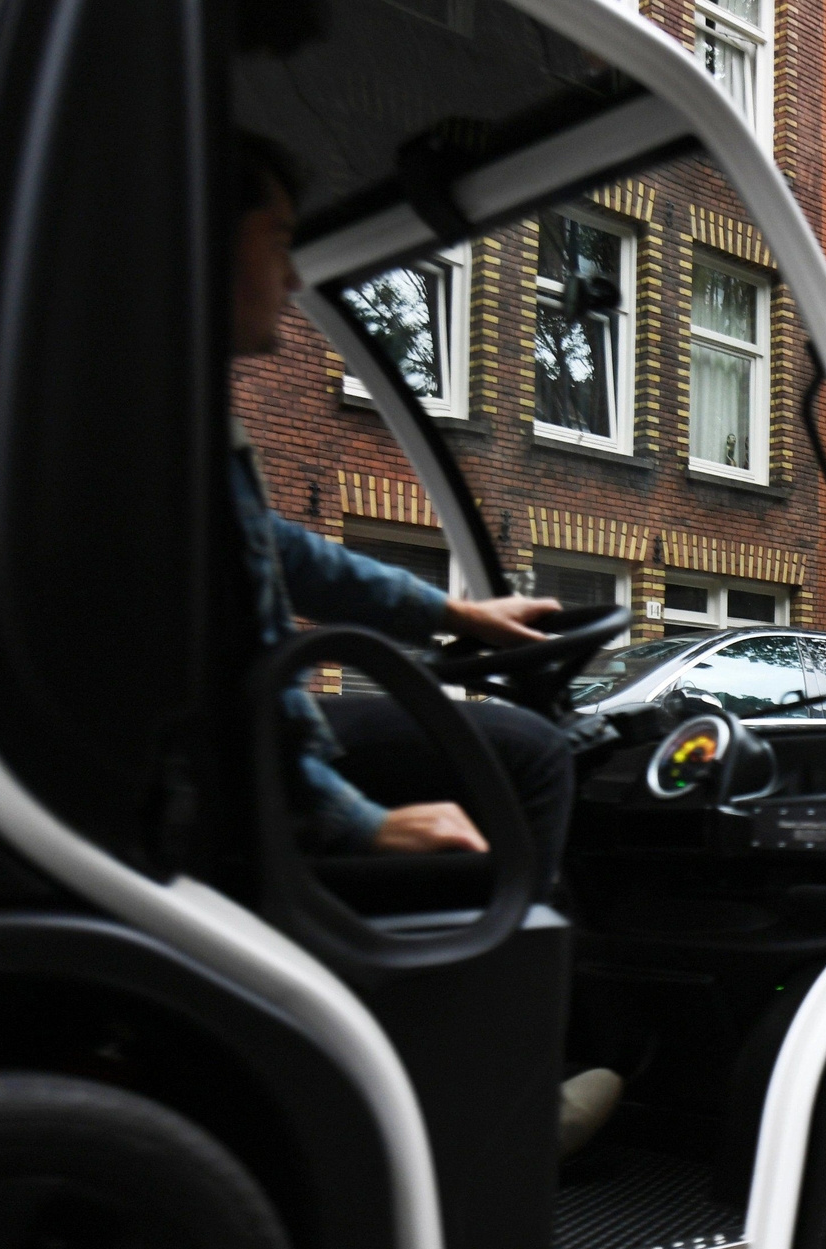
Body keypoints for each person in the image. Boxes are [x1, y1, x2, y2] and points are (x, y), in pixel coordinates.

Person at [231, 131, 617, 1155]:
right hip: (224, 777)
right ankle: (497, 1089)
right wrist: (354, 821)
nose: (294, 269)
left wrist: (457, 616)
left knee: (485, 739)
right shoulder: (155, 423)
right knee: (528, 753)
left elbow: (288, 558)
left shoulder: (144, 397)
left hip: (217, 751)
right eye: (275, 239)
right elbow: (233, 670)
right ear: (205, 245)